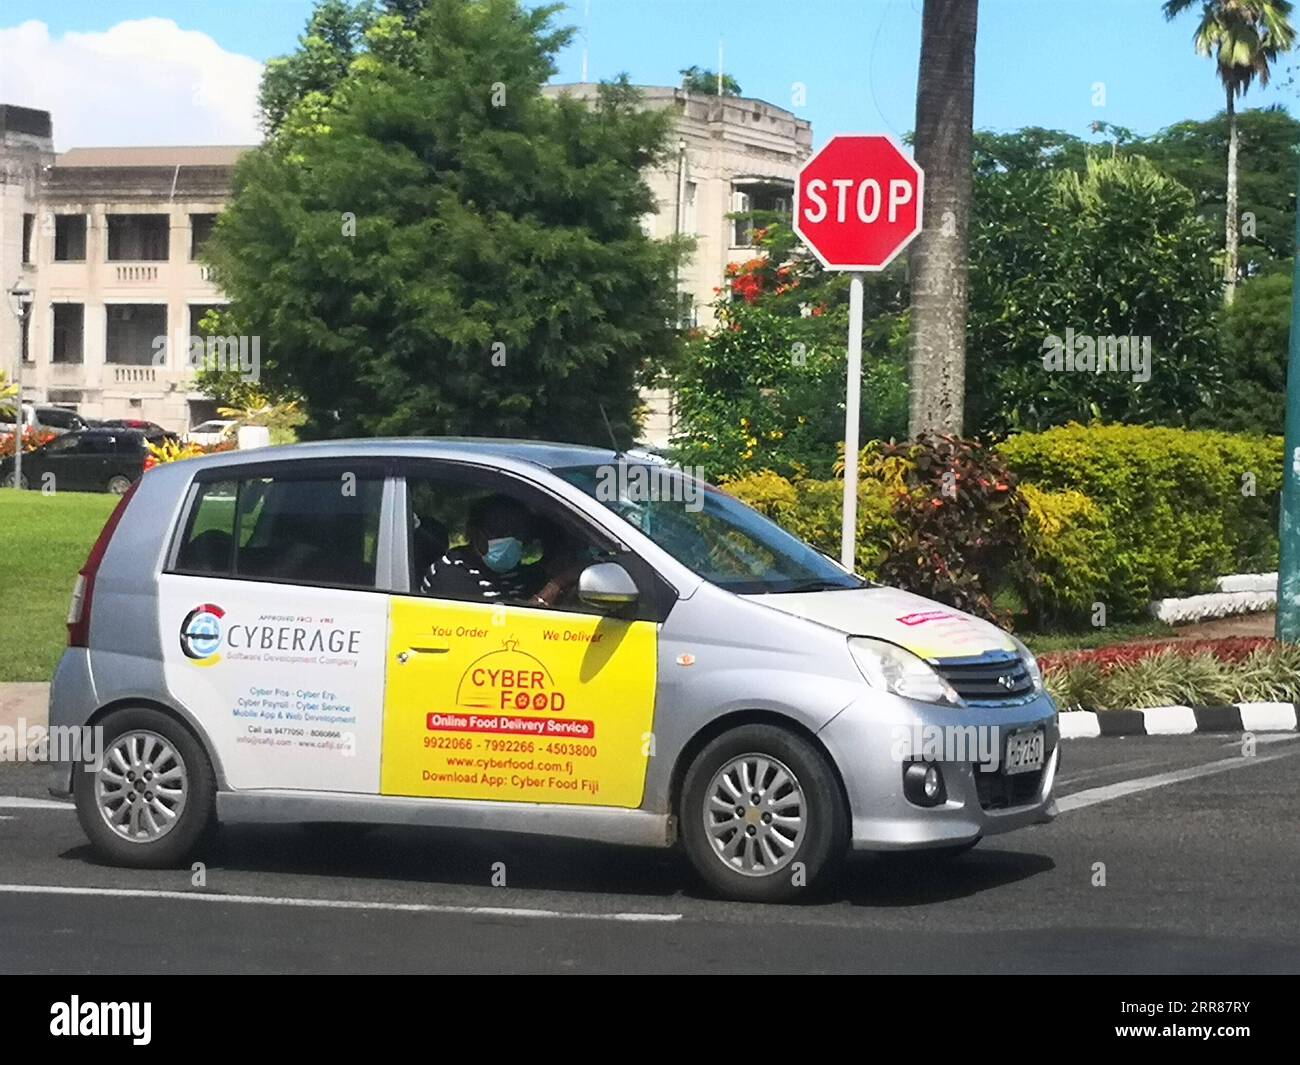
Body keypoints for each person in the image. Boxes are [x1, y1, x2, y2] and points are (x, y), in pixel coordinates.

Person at [421, 494, 559, 605]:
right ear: (475, 533)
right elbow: (493, 631)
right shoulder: (449, 574)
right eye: (499, 532)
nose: (509, 540)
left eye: (517, 533)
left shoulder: (518, 573)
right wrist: (547, 593)